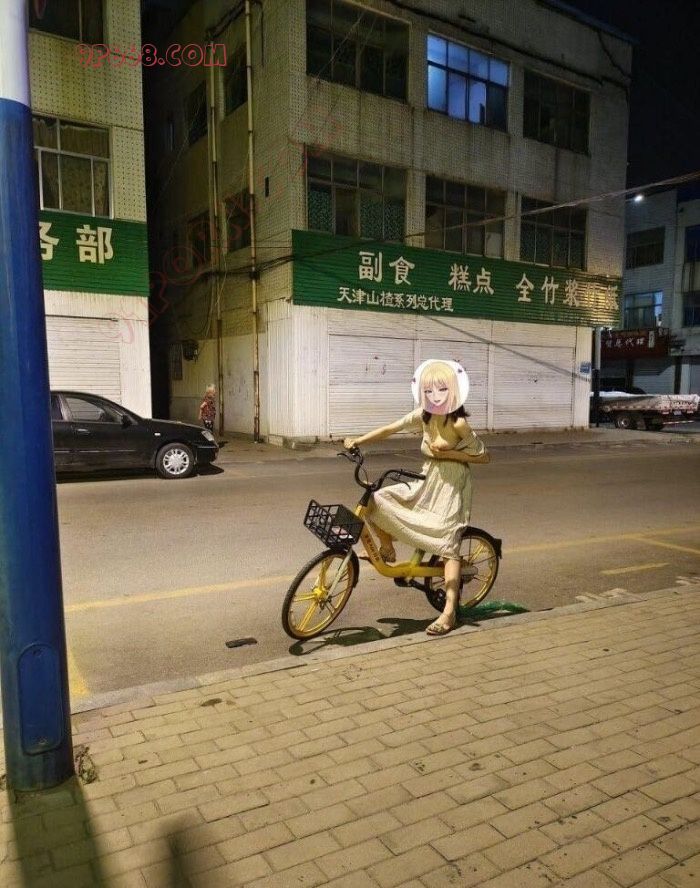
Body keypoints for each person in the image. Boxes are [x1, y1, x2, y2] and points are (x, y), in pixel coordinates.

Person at [344, 359, 490, 637]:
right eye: (429, 390)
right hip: (428, 478)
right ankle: (387, 547)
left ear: (454, 391)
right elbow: (391, 428)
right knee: (376, 499)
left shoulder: (458, 422)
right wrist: (358, 440)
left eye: (442, 390)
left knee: (447, 543)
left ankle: (449, 612)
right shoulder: (424, 415)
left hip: (452, 483)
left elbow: (483, 456)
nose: (435, 396)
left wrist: (448, 452)